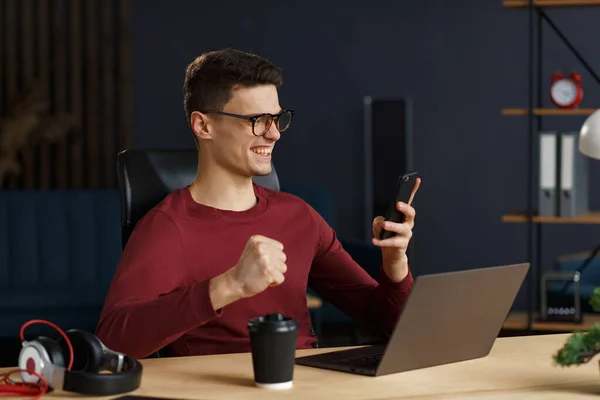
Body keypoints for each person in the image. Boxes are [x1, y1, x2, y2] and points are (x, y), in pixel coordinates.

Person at [95, 48, 421, 359]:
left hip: (309, 386)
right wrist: (229, 285)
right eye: (257, 120)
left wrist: (395, 265)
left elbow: (386, 324)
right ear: (203, 125)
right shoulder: (168, 226)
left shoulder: (298, 215)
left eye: (278, 119)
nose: (275, 134)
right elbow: (111, 340)